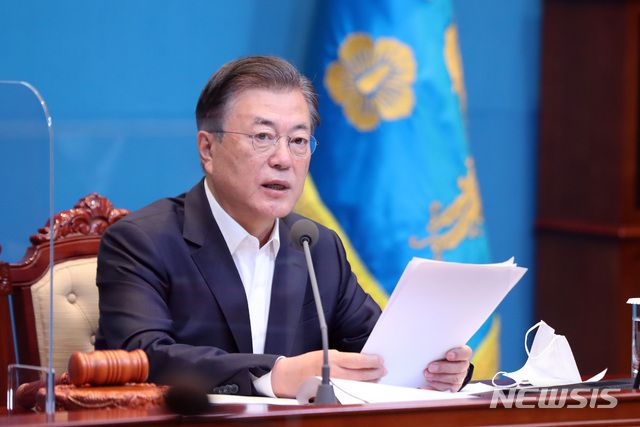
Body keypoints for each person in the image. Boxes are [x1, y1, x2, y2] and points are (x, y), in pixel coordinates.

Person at [96, 56, 473, 398]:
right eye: (262, 137)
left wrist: (438, 367)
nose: (283, 159)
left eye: (298, 140)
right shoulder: (143, 241)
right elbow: (140, 357)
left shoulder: (316, 246)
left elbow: (379, 352)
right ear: (208, 149)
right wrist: (275, 375)